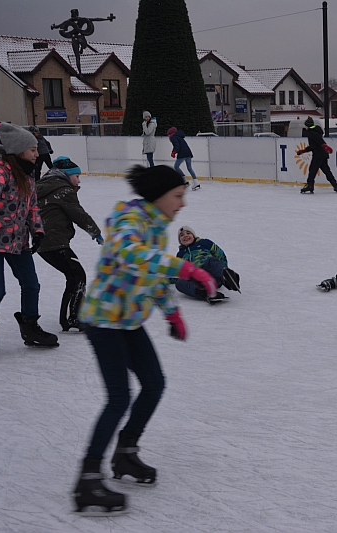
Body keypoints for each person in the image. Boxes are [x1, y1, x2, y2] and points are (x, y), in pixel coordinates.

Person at [72, 165, 217, 516]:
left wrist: (172, 313)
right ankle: (87, 479)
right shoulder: (129, 221)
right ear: (159, 196)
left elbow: (151, 275)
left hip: (129, 320)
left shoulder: (155, 227)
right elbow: (128, 254)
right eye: (178, 196)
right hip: (104, 320)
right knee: (119, 397)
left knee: (154, 384)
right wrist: (186, 269)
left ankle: (125, 454)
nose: (182, 204)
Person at [0, 123, 59, 356]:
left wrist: (37, 231)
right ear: (18, 150)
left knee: (31, 284)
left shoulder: (27, 173)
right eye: (33, 149)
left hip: (17, 241)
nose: (38, 154)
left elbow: (32, 206)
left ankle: (30, 326)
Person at [35, 156, 103, 331]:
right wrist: (95, 232)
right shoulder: (62, 190)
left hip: (44, 242)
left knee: (74, 276)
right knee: (77, 275)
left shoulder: (44, 187)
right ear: (66, 174)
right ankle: (74, 317)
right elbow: (78, 214)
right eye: (77, 176)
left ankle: (70, 317)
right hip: (54, 242)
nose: (79, 180)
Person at [173, 226, 240, 302]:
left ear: (194, 235)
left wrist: (223, 269)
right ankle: (206, 294)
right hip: (197, 279)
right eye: (181, 235)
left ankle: (226, 276)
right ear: (180, 240)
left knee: (211, 261)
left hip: (212, 273)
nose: (185, 236)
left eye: (188, 233)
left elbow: (220, 255)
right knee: (180, 283)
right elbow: (178, 272)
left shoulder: (204, 242)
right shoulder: (180, 254)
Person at [296, 117, 337, 194]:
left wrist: (325, 146)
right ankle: (335, 185)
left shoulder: (311, 133)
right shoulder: (315, 131)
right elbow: (314, 145)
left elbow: (319, 141)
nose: (305, 127)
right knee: (326, 170)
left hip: (318, 155)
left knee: (312, 169)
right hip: (322, 154)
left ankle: (310, 185)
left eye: (305, 125)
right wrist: (304, 151)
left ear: (308, 126)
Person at [166, 126, 200, 191]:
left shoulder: (174, 137)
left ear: (171, 134)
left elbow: (177, 145)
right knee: (189, 168)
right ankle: (196, 182)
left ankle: (184, 180)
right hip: (188, 152)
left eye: (169, 135)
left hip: (182, 153)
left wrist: (174, 152)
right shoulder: (179, 136)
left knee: (176, 166)